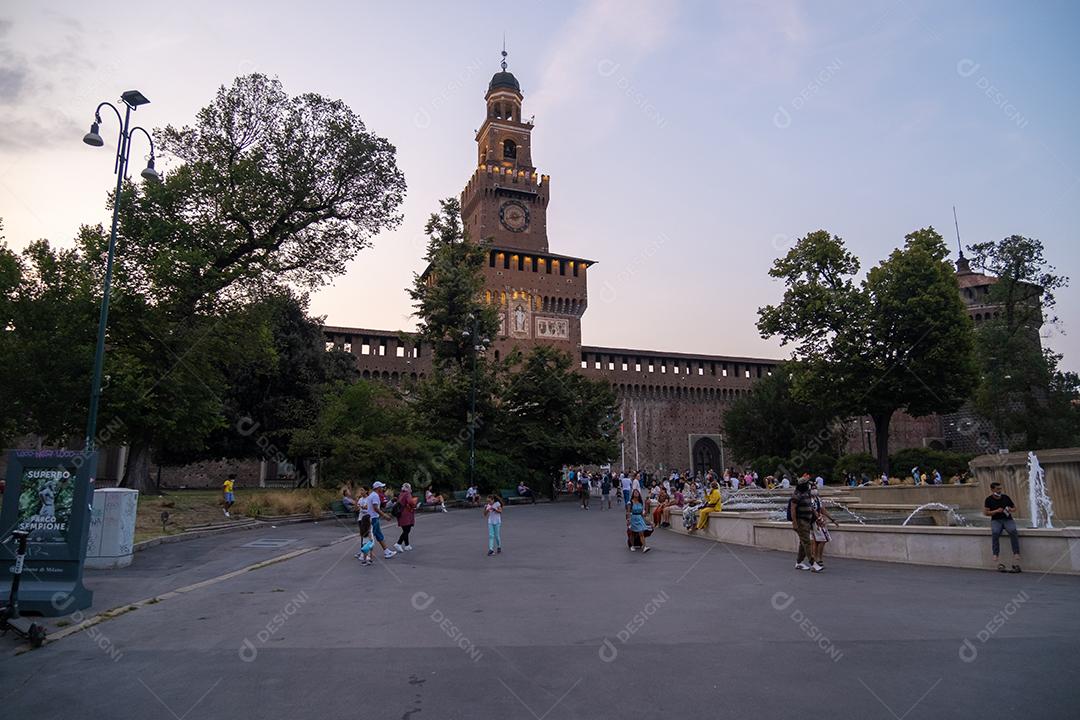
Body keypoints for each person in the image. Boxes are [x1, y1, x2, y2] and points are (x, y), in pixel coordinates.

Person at [984, 482, 1021, 572]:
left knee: (1013, 531)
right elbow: (986, 513)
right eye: (997, 489)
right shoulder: (988, 499)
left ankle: (1016, 553)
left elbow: (1014, 508)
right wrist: (996, 511)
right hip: (996, 520)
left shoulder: (1006, 497)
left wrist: (1009, 509)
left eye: (1000, 489)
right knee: (995, 532)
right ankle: (995, 553)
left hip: (1007, 519)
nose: (999, 491)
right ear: (992, 490)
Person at [789, 478, 819, 571]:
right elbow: (793, 509)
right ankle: (813, 563)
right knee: (807, 542)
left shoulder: (807, 493)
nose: (808, 486)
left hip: (807, 521)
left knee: (803, 543)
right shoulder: (796, 494)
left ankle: (799, 562)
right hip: (800, 521)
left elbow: (810, 506)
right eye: (806, 484)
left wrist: (816, 514)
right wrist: (794, 522)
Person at [810, 487, 840, 569]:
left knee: (817, 541)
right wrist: (819, 519)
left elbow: (822, 510)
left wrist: (832, 519)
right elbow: (813, 510)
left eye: (815, 488)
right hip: (816, 523)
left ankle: (817, 559)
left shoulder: (817, 499)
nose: (815, 489)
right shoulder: (810, 500)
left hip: (817, 522)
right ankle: (818, 559)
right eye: (813, 488)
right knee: (823, 539)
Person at [367, 481, 397, 559]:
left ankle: (386, 551)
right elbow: (376, 508)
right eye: (381, 487)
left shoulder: (372, 495)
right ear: (378, 488)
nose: (382, 488)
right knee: (371, 537)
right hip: (373, 518)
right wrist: (384, 515)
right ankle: (366, 554)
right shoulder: (375, 496)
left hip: (372, 517)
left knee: (378, 535)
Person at [393, 482, 419, 553]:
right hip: (406, 514)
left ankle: (407, 545)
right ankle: (398, 543)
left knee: (405, 529)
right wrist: (415, 504)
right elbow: (410, 502)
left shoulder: (401, 494)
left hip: (400, 514)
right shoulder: (407, 493)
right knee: (407, 530)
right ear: (408, 488)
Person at [353, 485, 375, 565]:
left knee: (367, 535)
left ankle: (366, 553)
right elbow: (356, 508)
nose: (361, 492)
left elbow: (366, 508)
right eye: (360, 490)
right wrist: (356, 502)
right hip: (360, 518)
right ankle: (363, 551)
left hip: (367, 519)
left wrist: (361, 506)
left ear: (366, 491)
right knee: (363, 535)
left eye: (362, 490)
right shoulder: (360, 499)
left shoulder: (369, 499)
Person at [626, 488, 651, 553]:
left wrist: (647, 505)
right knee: (632, 533)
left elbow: (644, 513)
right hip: (633, 518)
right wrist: (628, 520)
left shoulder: (640, 502)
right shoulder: (630, 502)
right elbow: (628, 512)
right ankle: (632, 545)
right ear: (633, 494)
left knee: (641, 532)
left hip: (639, 518)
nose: (636, 493)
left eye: (637, 492)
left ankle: (644, 546)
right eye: (635, 492)